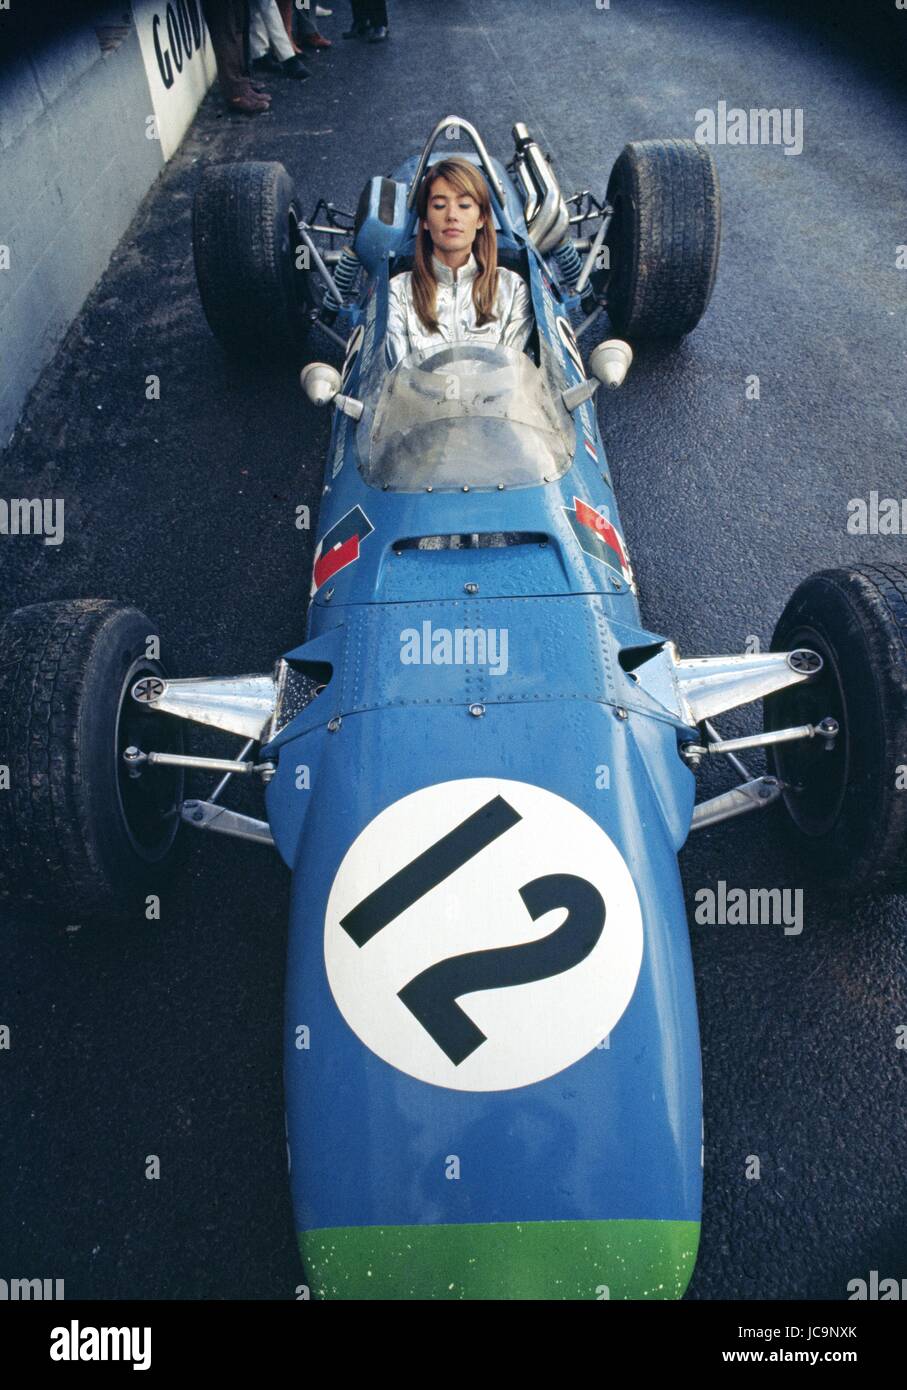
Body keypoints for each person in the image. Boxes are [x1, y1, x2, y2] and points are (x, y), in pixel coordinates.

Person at [385, 156, 534, 370]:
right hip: (419, 402)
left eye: (464, 205)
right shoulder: (398, 291)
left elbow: (512, 372)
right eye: (439, 205)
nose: (452, 215)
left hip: (495, 402)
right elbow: (400, 376)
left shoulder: (513, 287)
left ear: (481, 218)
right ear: (425, 221)